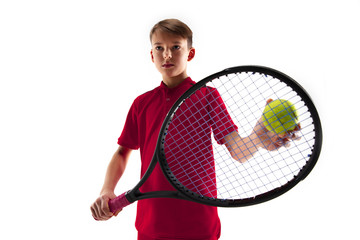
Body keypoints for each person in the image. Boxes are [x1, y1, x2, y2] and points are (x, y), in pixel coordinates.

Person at [90, 18, 299, 240]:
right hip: (150, 224)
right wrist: (106, 190)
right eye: (159, 48)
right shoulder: (141, 103)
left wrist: (258, 136)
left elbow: (239, 151)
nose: (167, 55)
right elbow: (123, 152)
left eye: (175, 47)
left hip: (199, 224)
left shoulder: (208, 96)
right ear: (152, 55)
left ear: (190, 53)